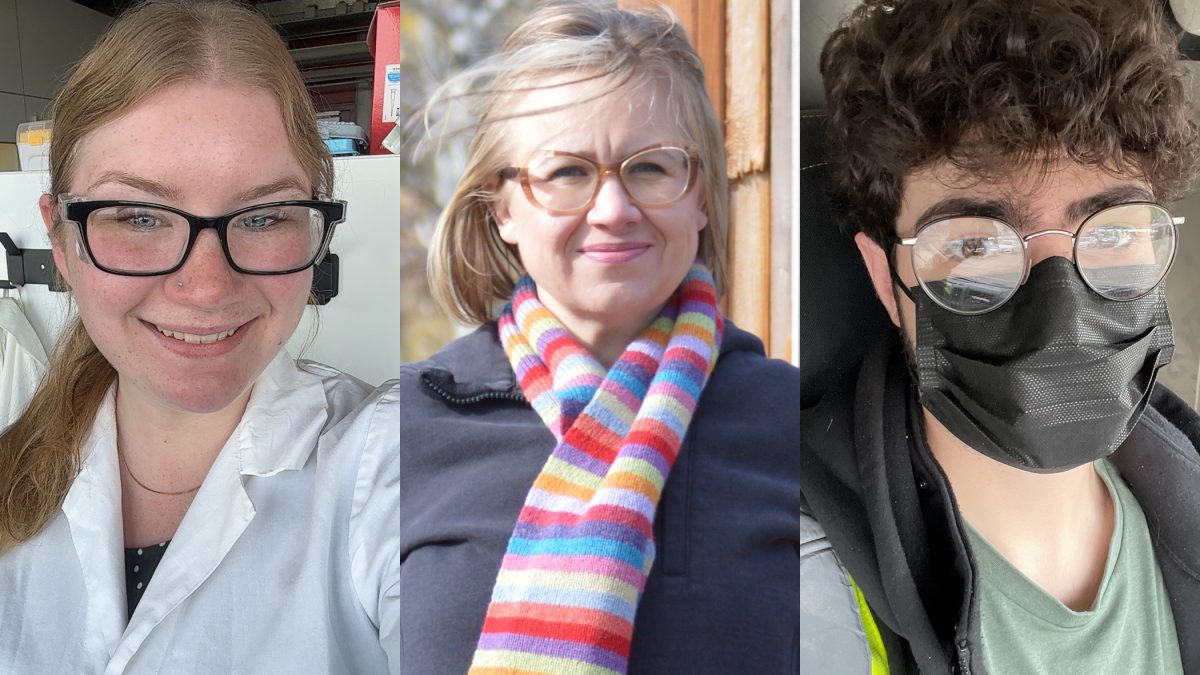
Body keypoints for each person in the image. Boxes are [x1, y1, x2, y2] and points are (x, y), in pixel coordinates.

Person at [399, 2, 800, 673]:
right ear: (502, 207)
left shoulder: (794, 420)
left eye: (650, 168)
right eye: (566, 172)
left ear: (700, 194)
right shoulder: (406, 425)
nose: (613, 210)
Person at [801, 0, 1200, 672]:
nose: (1061, 308)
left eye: (1111, 232)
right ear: (884, 273)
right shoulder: (779, 575)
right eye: (978, 243)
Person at [0, 1, 398, 672]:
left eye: (265, 216)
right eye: (139, 216)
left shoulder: (390, 464)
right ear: (62, 240)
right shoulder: (14, 477)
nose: (208, 286)